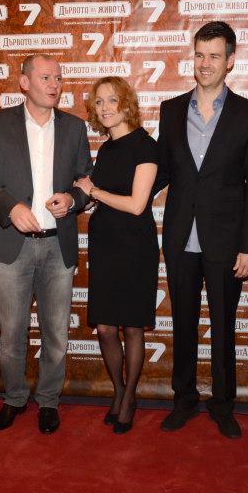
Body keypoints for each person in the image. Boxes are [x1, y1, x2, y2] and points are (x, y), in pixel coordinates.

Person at [154, 21, 248, 439]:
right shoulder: (170, 110)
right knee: (182, 324)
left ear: (230, 61)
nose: (205, 63)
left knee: (223, 327)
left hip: (227, 241)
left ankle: (223, 404)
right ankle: (183, 399)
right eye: (200, 55)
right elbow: (160, 172)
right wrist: (110, 191)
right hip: (180, 237)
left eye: (215, 56)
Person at [0, 55, 92, 435]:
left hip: (58, 246)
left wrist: (72, 199)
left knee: (57, 333)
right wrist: (11, 207)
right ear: (24, 83)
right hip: (13, 246)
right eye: (45, 77)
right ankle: (14, 398)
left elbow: (86, 180)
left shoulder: (74, 127)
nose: (55, 84)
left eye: (58, 77)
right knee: (12, 333)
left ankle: (49, 400)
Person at [73, 77, 159, 434]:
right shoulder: (106, 149)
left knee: (132, 326)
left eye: (112, 100)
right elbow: (97, 195)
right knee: (106, 327)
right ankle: (120, 390)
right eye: (99, 102)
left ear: (126, 104)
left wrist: (93, 190)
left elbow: (137, 205)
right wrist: (80, 195)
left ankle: (129, 396)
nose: (105, 108)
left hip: (135, 246)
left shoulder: (146, 146)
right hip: (105, 244)